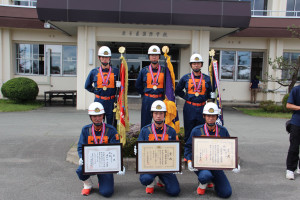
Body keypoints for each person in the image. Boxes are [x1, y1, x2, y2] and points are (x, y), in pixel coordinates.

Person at [184, 102, 237, 198]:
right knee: (205, 176)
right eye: (208, 115)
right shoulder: (196, 130)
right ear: (204, 116)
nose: (211, 118)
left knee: (226, 193)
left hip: (217, 166)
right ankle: (203, 181)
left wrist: (234, 163)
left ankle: (213, 181)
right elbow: (188, 147)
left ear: (217, 117)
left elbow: (229, 148)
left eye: (213, 116)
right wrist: (189, 161)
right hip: (201, 165)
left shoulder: (222, 131)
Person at [76, 102, 125, 196]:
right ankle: (87, 184)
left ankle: (102, 181)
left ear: (103, 115)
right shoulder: (85, 130)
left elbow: (116, 149)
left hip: (105, 166)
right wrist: (81, 157)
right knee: (79, 170)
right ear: (90, 117)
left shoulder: (111, 130)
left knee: (106, 193)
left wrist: (119, 164)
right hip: (91, 163)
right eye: (94, 116)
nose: (97, 118)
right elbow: (80, 146)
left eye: (100, 115)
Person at [137, 100, 180, 196]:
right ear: (152, 114)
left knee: (174, 192)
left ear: (164, 114)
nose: (158, 116)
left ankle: (161, 179)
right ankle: (150, 181)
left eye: (161, 113)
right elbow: (139, 150)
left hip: (165, 167)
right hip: (149, 166)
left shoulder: (171, 131)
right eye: (156, 113)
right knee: (145, 179)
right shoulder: (145, 131)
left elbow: (175, 152)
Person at [175, 53, 212, 143]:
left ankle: (200, 150)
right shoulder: (185, 78)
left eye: (198, 63)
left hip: (202, 108)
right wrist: (186, 97)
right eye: (194, 63)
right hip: (189, 107)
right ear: (191, 65)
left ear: (201, 65)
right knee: (188, 129)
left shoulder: (207, 78)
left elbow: (210, 93)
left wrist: (204, 98)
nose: (196, 65)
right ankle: (188, 152)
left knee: (201, 130)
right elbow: (177, 90)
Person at [85, 46, 120, 125]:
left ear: (109, 58)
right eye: (103, 57)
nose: (105, 59)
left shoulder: (116, 71)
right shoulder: (94, 72)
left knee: (112, 123)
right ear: (99, 58)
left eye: (106, 57)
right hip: (99, 101)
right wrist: (95, 91)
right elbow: (87, 86)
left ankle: (112, 137)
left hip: (111, 101)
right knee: (98, 122)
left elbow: (121, 86)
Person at [135, 45, 165, 129]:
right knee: (145, 122)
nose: (154, 57)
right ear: (149, 57)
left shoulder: (165, 70)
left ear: (159, 56)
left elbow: (169, 86)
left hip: (160, 99)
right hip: (147, 99)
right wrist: (145, 94)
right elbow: (138, 85)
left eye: (156, 55)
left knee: (160, 121)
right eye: (152, 55)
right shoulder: (144, 71)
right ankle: (144, 140)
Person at [286, 84, 300, 180]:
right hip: (297, 122)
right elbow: (288, 105)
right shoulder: (296, 89)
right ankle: (290, 170)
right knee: (294, 147)